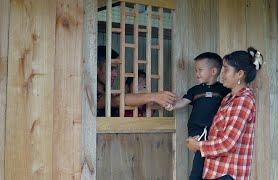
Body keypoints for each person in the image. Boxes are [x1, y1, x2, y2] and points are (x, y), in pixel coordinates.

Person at [186, 47, 263, 180]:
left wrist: (199, 145)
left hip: (227, 174)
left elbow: (228, 143)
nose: (222, 74)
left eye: (226, 69)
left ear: (239, 74)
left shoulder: (243, 100)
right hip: (214, 171)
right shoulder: (228, 98)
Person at [166, 52, 230, 180]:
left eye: (200, 70)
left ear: (213, 71)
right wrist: (173, 105)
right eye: (196, 70)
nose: (197, 73)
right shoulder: (195, 90)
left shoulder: (223, 90)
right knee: (199, 162)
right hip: (197, 132)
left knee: (205, 165)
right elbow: (184, 101)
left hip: (214, 134)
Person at [97, 46, 176, 117]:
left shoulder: (111, 93)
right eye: (111, 69)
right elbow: (116, 100)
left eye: (116, 69)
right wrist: (154, 96)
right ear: (96, 68)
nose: (115, 74)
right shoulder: (92, 95)